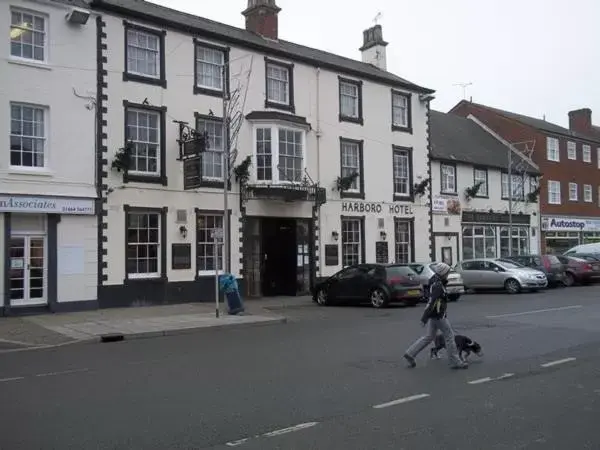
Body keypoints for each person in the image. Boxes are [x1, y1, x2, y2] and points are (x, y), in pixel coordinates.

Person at [403, 262, 468, 370]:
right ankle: (455, 361)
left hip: (435, 315)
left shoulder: (436, 282)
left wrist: (426, 317)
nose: (448, 274)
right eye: (447, 272)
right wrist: (424, 318)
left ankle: (410, 353)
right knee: (449, 337)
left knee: (429, 337)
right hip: (439, 315)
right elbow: (432, 302)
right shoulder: (438, 285)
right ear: (443, 273)